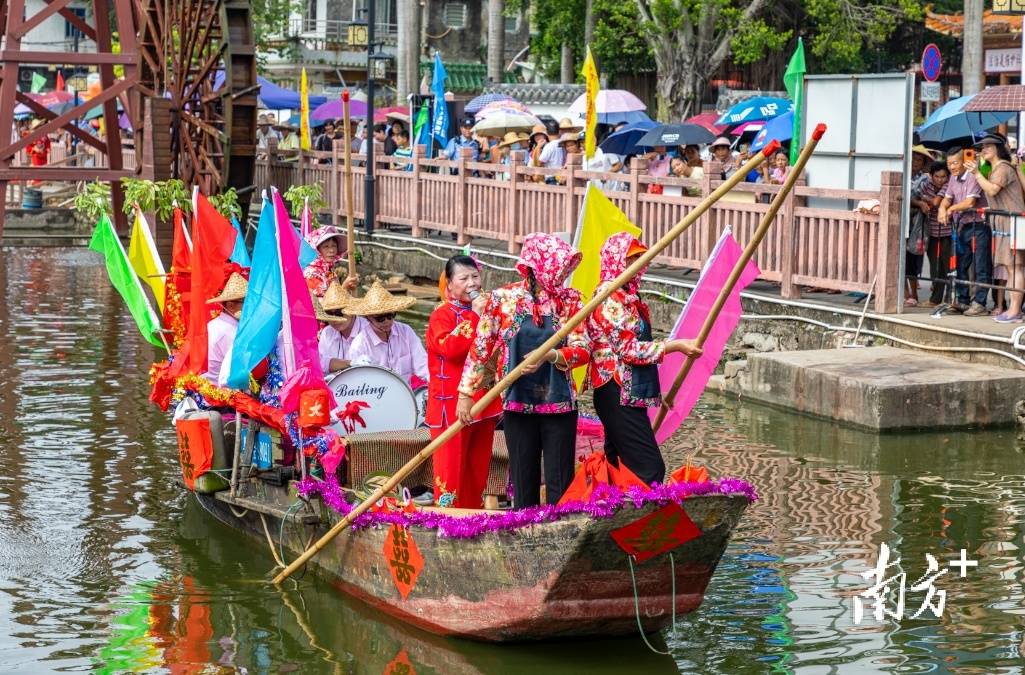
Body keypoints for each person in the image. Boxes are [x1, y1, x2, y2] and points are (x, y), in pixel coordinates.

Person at [456, 233, 590, 508]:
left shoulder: (572, 301)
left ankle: (559, 533)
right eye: (556, 266)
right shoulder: (502, 299)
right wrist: (466, 393)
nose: (562, 273)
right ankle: (524, 532)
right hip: (518, 402)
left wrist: (552, 355)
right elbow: (482, 347)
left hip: (560, 403)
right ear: (535, 267)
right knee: (523, 478)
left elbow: (583, 348)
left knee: (560, 481)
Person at [587, 233, 702, 485]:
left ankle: (616, 518)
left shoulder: (629, 297)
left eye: (640, 258)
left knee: (620, 463)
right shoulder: (609, 297)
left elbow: (639, 349)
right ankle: (637, 519)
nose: (638, 264)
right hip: (615, 391)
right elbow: (628, 350)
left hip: (629, 393)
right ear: (617, 261)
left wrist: (658, 394)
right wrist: (676, 346)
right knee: (650, 469)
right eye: (632, 259)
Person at [427, 255, 503, 508]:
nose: (472, 283)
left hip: (484, 401)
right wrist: (476, 316)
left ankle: (473, 520)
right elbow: (451, 349)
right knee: (449, 472)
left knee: (477, 470)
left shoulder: (489, 309)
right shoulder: (442, 315)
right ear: (449, 284)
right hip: (451, 404)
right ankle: (448, 523)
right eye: (464, 278)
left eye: (475, 276)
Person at [968, 133, 1025, 322]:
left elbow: (992, 190)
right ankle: (1014, 310)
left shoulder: (1002, 168)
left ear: (999, 149)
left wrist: (976, 173)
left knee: (1014, 266)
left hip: (1013, 223)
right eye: (982, 147)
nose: (983, 150)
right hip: (1008, 222)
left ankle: (1015, 310)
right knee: (1011, 267)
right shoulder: (996, 168)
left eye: (988, 146)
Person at [938, 148, 990, 316]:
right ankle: (963, 301)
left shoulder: (973, 176)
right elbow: (947, 198)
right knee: (961, 265)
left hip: (979, 225)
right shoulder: (953, 178)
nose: (951, 167)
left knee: (980, 265)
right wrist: (942, 208)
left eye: (955, 163)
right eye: (949, 163)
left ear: (963, 162)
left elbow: (969, 202)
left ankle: (980, 303)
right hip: (962, 226)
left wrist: (951, 208)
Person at [348, 281, 429, 385]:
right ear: (368, 318)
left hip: (406, 394)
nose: (386, 321)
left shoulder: (406, 332)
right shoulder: (359, 345)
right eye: (380, 318)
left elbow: (422, 365)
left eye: (390, 316)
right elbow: (358, 382)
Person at [916, 161, 951, 308]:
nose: (940, 179)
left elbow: (936, 202)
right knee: (934, 266)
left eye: (943, 176)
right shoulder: (927, 185)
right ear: (931, 176)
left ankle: (950, 299)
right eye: (937, 176)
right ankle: (935, 299)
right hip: (932, 231)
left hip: (948, 231)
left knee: (948, 267)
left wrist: (925, 199)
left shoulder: (949, 185)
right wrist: (921, 201)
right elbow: (916, 195)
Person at [204, 272, 247, 383]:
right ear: (231, 306)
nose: (250, 307)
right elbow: (243, 370)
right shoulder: (229, 332)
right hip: (219, 392)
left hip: (208, 389)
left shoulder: (214, 324)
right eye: (245, 302)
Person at [318, 281, 368, 373]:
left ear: (351, 310)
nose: (335, 319)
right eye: (329, 313)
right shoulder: (327, 333)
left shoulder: (368, 329)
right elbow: (321, 363)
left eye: (339, 313)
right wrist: (350, 363)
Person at [304, 226, 348, 297]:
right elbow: (321, 305)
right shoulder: (312, 274)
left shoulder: (330, 271)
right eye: (326, 246)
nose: (331, 250)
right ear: (317, 250)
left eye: (334, 246)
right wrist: (345, 287)